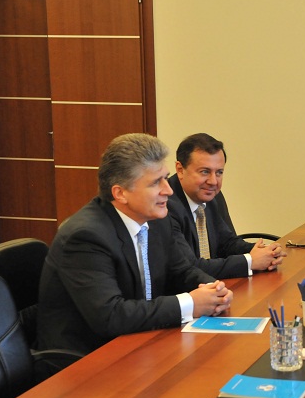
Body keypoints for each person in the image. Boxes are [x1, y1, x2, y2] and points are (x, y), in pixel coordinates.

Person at [38, 133, 233, 357]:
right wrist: (189, 303)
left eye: (165, 178)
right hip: (87, 358)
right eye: (155, 183)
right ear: (120, 193)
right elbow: (111, 316)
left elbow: (181, 271)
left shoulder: (157, 220)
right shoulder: (85, 237)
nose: (168, 190)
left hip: (141, 340)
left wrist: (213, 290)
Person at [167, 133, 285, 279]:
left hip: (213, 286)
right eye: (205, 172)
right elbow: (190, 267)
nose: (213, 181)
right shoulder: (164, 204)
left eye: (219, 172)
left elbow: (227, 243)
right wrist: (250, 261)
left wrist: (265, 252)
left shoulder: (210, 194)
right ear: (180, 169)